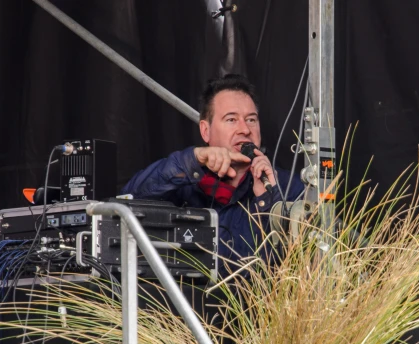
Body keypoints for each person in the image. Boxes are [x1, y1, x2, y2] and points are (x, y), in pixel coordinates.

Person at [121, 74, 304, 268]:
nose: (245, 129)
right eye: (231, 119)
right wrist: (193, 159)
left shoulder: (288, 187)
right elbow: (128, 200)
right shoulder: (184, 183)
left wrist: (268, 202)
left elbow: (301, 263)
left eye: (251, 120)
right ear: (205, 131)